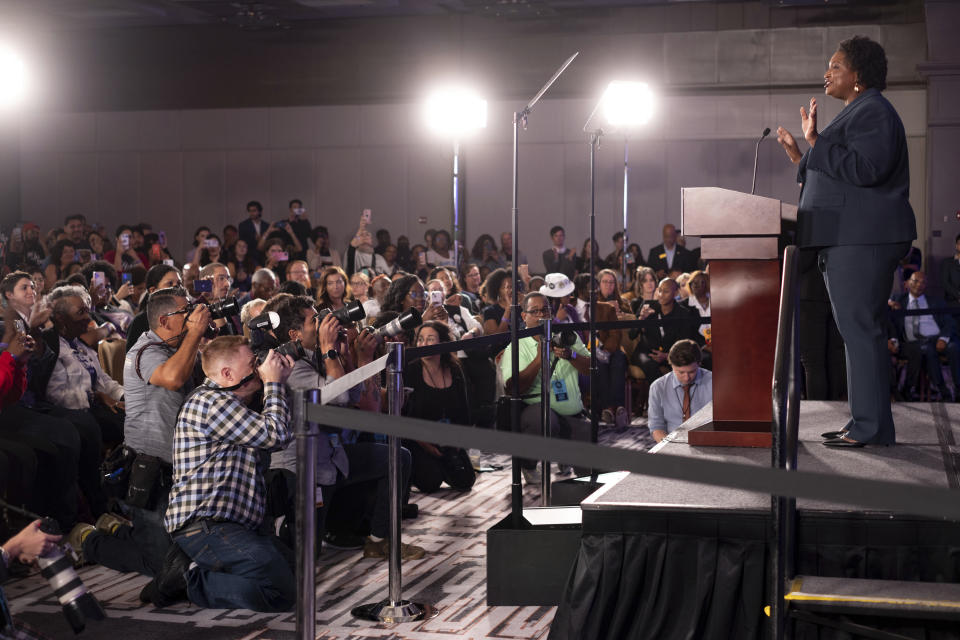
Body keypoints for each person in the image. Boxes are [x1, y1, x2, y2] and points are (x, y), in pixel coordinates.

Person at [776, 35, 916, 447]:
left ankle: (871, 428)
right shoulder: (858, 112)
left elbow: (867, 168)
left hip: (862, 238)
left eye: (836, 66)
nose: (827, 72)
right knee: (856, 334)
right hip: (849, 236)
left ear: (857, 75)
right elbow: (841, 175)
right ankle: (862, 423)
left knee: (862, 332)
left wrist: (816, 142)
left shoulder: (873, 111)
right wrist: (801, 159)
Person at [163, 336, 297, 612]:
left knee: (296, 573)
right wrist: (273, 384)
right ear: (227, 374)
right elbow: (276, 435)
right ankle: (188, 579)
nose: (260, 367)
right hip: (206, 525)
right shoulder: (211, 403)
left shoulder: (232, 403)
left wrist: (278, 384)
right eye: (252, 363)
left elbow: (280, 424)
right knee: (281, 593)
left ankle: (215, 568)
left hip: (236, 525)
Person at [501, 291, 591, 484]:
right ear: (524, 316)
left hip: (572, 412)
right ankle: (528, 463)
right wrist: (539, 359)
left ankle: (567, 455)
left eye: (545, 310)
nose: (541, 315)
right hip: (537, 411)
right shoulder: (516, 345)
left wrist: (571, 356)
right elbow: (512, 388)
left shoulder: (568, 335)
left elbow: (592, 368)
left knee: (594, 469)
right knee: (545, 421)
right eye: (535, 311)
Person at [402, 322, 476, 493]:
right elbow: (404, 416)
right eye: (420, 339)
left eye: (430, 339)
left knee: (465, 481)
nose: (423, 344)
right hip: (418, 440)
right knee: (430, 482)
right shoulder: (411, 371)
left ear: (442, 343)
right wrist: (425, 444)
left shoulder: (454, 369)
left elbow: (465, 410)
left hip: (449, 437)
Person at [890, 271, 959, 402]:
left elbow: (950, 322)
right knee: (927, 349)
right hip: (915, 342)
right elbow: (882, 304)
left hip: (937, 338)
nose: (919, 285)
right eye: (916, 281)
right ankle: (942, 390)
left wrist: (943, 338)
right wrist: (890, 303)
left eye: (923, 282)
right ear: (907, 283)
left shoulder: (936, 301)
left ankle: (958, 389)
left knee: (954, 347)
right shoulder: (898, 300)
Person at [647, 339, 713, 443]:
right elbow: (656, 427)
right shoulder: (658, 387)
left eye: (691, 372)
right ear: (671, 365)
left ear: (699, 364)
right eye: (681, 372)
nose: (686, 378)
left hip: (707, 442)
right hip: (671, 443)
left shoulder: (715, 383)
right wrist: (670, 448)